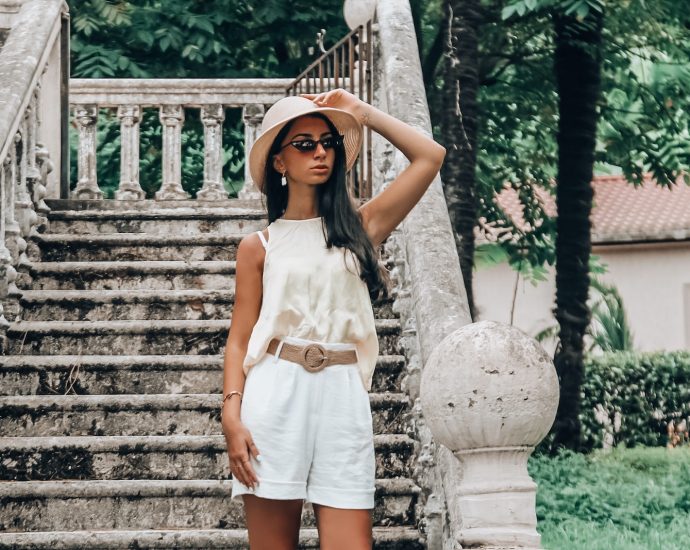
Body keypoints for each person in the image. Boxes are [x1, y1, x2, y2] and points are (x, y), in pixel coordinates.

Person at [221, 88, 445, 550]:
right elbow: (240, 339)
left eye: (328, 142)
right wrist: (231, 415)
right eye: (304, 144)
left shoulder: (360, 229)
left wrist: (360, 113)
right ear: (279, 162)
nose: (320, 152)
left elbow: (430, 156)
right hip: (275, 392)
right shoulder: (258, 247)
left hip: (342, 395)